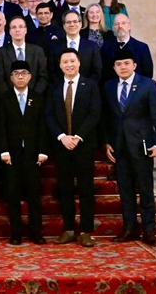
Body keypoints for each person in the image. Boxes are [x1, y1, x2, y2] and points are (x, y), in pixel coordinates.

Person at [102, 48, 156, 246]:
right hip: (120, 148)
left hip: (142, 146)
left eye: (126, 63)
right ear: (114, 67)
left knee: (146, 190)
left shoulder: (147, 85)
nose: (123, 67)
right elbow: (106, 118)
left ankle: (149, 230)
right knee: (125, 191)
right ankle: (129, 228)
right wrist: (106, 142)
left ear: (134, 65)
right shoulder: (109, 86)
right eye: (119, 64)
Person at [46, 48, 102, 248]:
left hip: (84, 144)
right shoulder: (54, 87)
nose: (69, 65)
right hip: (62, 146)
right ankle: (69, 229)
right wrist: (62, 137)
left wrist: (77, 137)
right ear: (60, 65)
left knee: (86, 188)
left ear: (79, 63)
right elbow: (49, 115)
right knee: (65, 188)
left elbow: (94, 114)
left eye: (72, 61)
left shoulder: (91, 85)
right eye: (65, 62)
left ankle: (86, 231)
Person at [0, 60, 49, 245]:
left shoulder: (38, 97)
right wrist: (3, 151)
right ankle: (16, 233)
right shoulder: (3, 98)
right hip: (11, 155)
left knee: (34, 195)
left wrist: (43, 151)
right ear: (10, 77)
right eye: (16, 73)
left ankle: (36, 233)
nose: (20, 76)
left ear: (30, 76)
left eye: (24, 73)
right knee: (13, 196)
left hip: (33, 155)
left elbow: (42, 126)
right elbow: (0, 126)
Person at [0, 17, 49, 95]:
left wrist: (34, 96)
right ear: (9, 31)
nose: (17, 30)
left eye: (20, 26)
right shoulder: (1, 52)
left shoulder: (37, 51)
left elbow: (43, 77)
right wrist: (10, 98)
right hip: (9, 100)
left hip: (35, 98)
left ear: (25, 30)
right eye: (14, 27)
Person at [49, 10, 102, 81]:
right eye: (68, 22)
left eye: (75, 21)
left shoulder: (92, 46)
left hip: (87, 89)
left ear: (80, 24)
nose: (72, 24)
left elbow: (97, 72)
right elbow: (52, 71)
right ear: (64, 25)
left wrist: (86, 87)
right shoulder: (54, 46)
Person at [100, 13, 154, 82]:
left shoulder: (142, 47)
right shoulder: (106, 47)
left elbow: (148, 74)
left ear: (129, 26)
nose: (120, 26)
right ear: (113, 28)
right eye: (117, 24)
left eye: (123, 23)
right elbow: (103, 72)